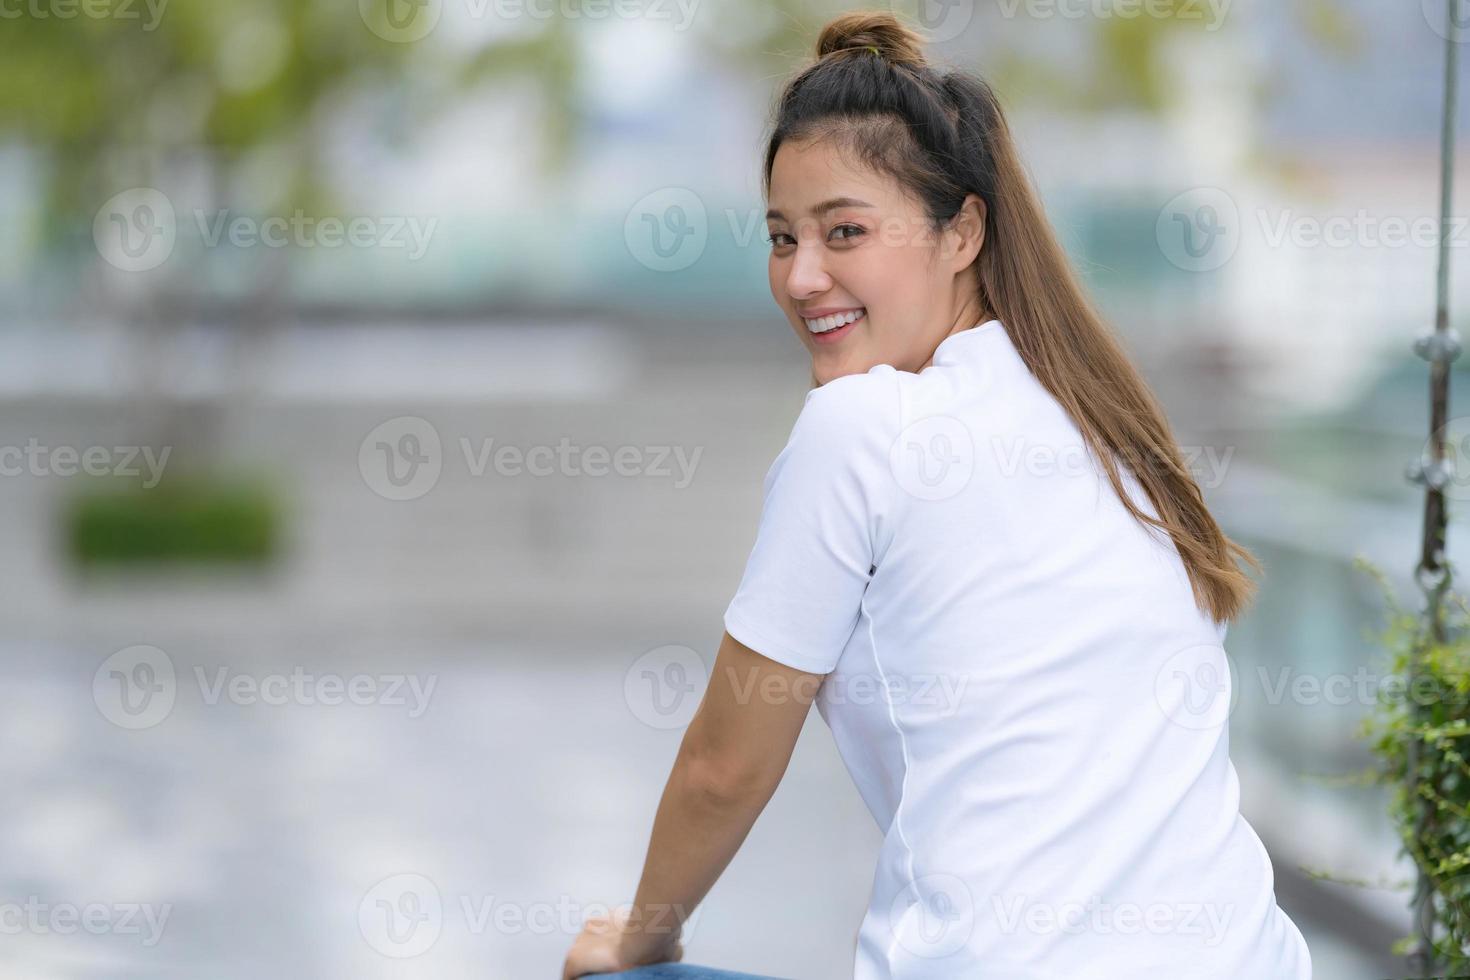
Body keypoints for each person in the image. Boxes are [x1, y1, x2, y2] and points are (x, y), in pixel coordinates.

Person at [563, 10, 1312, 979]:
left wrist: (643, 938)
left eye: (845, 231)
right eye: (781, 236)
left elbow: (724, 762)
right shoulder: (1098, 420)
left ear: (963, 231)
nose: (801, 275)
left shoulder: (863, 426)